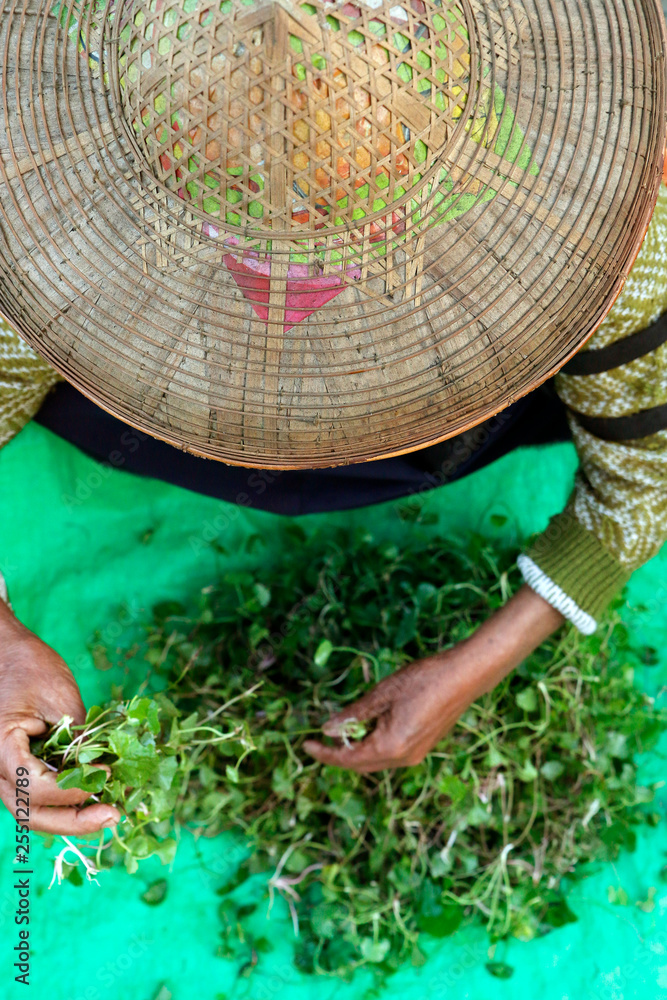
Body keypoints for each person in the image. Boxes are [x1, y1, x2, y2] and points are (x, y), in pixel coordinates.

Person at [0, 0, 665, 837]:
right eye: (248, 227)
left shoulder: (598, 229)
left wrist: (472, 665)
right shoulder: (35, 211)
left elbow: (640, 484)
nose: (290, 269)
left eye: (333, 234)